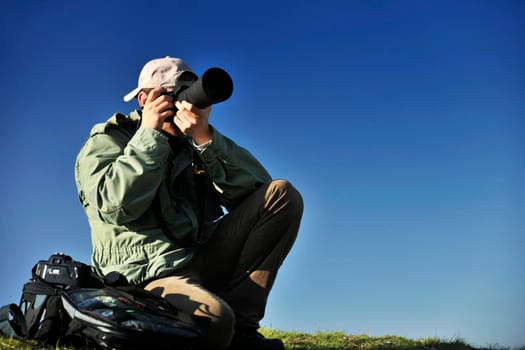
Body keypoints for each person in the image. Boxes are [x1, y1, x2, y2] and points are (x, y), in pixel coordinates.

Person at [74, 56, 303, 350]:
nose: (185, 103)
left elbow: (256, 190)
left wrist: (206, 139)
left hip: (199, 259)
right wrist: (150, 136)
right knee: (214, 324)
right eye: (171, 94)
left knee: (281, 195)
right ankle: (226, 328)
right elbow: (117, 207)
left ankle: (243, 330)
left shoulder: (192, 140)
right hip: (144, 277)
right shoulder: (109, 140)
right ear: (144, 99)